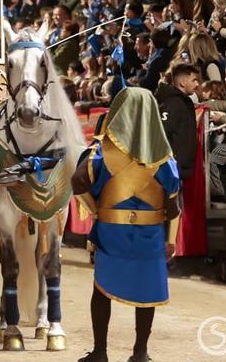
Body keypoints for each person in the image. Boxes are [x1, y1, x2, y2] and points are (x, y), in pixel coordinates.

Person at [72, 88, 182, 362]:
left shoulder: (99, 151)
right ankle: (140, 352)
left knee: (101, 290)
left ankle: (100, 352)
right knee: (147, 291)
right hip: (150, 233)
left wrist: (96, 210)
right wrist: (171, 239)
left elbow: (77, 182)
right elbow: (173, 205)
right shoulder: (165, 160)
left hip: (112, 231)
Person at [155, 63, 200, 181]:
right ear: (182, 83)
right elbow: (162, 132)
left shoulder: (183, 101)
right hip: (172, 167)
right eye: (194, 80)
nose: (197, 84)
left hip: (178, 166)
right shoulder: (173, 103)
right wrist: (171, 160)